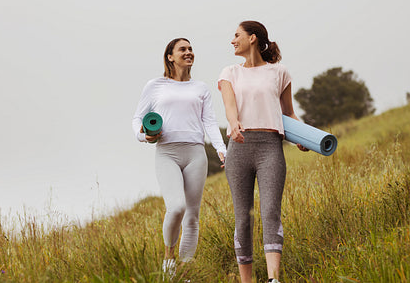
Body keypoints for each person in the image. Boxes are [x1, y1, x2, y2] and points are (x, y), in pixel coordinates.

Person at [217, 21, 308, 283]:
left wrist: (302, 137)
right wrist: (233, 124)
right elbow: (229, 105)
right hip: (240, 147)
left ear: (253, 38)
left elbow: (288, 113)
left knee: (270, 211)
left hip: (270, 147)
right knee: (243, 218)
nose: (232, 41)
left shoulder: (279, 72)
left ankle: (273, 278)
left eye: (237, 35)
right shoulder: (230, 72)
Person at [132, 38, 227, 278]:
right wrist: (144, 136)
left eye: (191, 49)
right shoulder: (155, 85)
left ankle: (185, 274)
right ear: (170, 57)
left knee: (192, 218)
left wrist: (221, 148)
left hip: (196, 153)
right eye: (182, 49)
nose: (188, 52)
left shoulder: (201, 88)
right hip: (167, 152)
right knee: (176, 207)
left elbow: (210, 121)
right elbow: (137, 119)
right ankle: (169, 259)